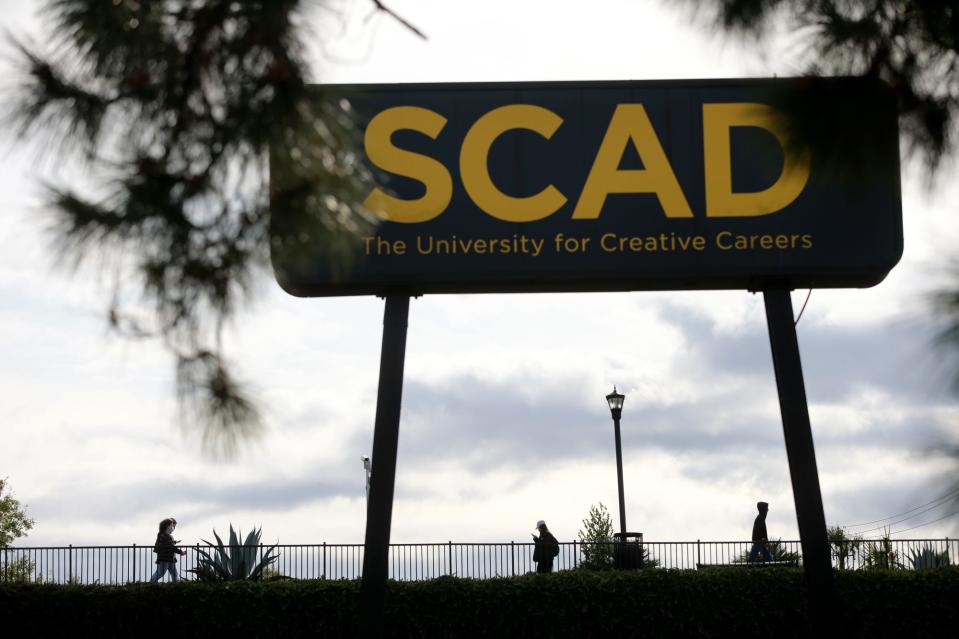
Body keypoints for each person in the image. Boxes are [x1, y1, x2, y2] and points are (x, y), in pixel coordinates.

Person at [150, 517, 186, 582]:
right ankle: (150, 584)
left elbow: (168, 544)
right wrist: (181, 552)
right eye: (172, 525)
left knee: (174, 574)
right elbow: (171, 547)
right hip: (165, 558)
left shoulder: (163, 535)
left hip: (169, 558)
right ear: (167, 526)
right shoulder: (164, 536)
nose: (173, 527)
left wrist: (174, 542)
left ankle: (176, 586)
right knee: (160, 573)